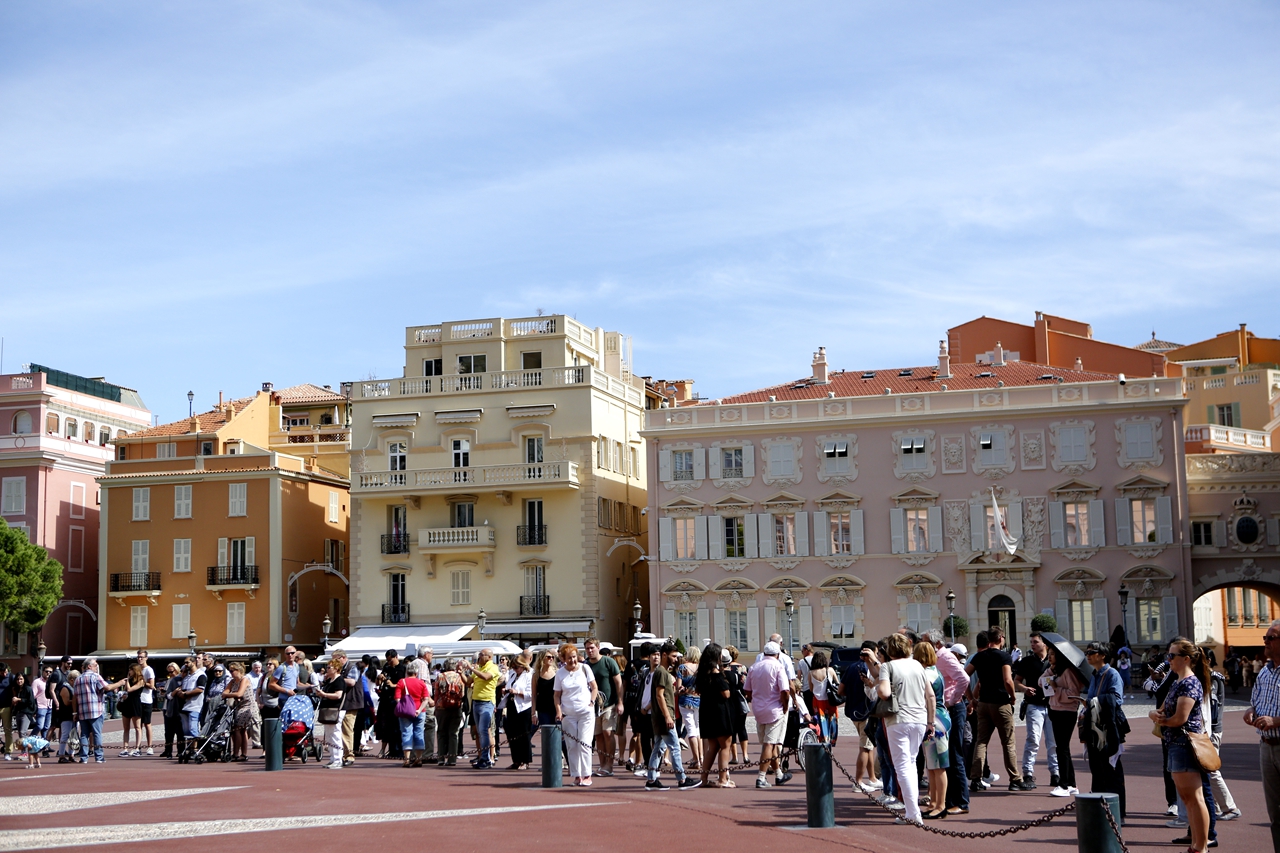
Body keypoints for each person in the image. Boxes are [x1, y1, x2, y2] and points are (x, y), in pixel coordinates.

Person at [1150, 637, 1211, 853]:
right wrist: (1156, 714)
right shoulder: (1176, 681)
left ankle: (1201, 847)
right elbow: (1163, 708)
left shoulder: (1189, 682)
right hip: (1175, 743)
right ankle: (1196, 843)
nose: (1168, 660)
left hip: (1185, 743)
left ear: (1185, 659)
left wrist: (1159, 719)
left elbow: (1179, 718)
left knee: (1194, 797)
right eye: (1168, 655)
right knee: (1187, 798)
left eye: (1171, 656)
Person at [878, 633, 935, 826]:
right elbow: (931, 695)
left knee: (902, 765)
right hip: (919, 718)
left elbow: (885, 693)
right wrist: (931, 721)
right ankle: (913, 810)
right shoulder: (918, 665)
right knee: (910, 763)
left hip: (899, 718)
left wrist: (879, 689)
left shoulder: (888, 667)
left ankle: (913, 812)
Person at [966, 626, 1031, 792]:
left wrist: (971, 698)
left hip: (984, 703)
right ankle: (1015, 779)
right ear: (1001, 638)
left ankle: (975, 778)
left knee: (981, 741)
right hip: (1000, 703)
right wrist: (1013, 697)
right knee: (1008, 742)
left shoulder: (979, 656)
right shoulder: (1004, 656)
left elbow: (963, 677)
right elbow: (1008, 680)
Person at [643, 640, 700, 790]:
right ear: (664, 655)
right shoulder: (662, 672)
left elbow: (664, 694)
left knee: (658, 748)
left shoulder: (662, 672)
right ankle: (681, 779)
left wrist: (676, 692)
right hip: (664, 717)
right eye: (673, 656)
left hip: (660, 716)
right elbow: (659, 696)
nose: (676, 659)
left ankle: (651, 780)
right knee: (675, 747)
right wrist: (668, 716)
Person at [1082, 641, 1128, 821]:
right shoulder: (1094, 675)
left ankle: (1118, 813)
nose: (1088, 655)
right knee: (1097, 771)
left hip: (1108, 729)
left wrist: (1094, 701)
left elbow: (1117, 700)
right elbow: (1091, 698)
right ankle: (1100, 811)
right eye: (1087, 652)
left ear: (1102, 655)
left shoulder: (1112, 674)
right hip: (1095, 728)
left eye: (1092, 652)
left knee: (1112, 771)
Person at [1245, 619, 1280, 852]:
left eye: (1271, 637)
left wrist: (1275, 721)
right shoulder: (1265, 672)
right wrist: (1251, 712)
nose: (1265, 641)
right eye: (1265, 637)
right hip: (1266, 746)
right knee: (1275, 812)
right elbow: (1255, 702)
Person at [928, 632, 969, 814]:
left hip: (953, 709)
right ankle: (951, 799)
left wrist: (952, 700)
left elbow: (964, 678)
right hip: (946, 709)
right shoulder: (938, 658)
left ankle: (961, 802)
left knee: (954, 754)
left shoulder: (945, 657)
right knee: (948, 756)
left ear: (936, 643)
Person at [744, 640, 791, 789]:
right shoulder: (778, 667)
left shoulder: (754, 667)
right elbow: (785, 690)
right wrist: (784, 706)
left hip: (758, 709)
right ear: (777, 654)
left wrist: (755, 700)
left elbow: (747, 689)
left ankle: (778, 774)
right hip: (774, 708)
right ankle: (761, 777)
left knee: (767, 743)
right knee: (769, 744)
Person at [1013, 632, 1058, 790]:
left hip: (1052, 705)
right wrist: (1024, 689)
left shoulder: (1054, 661)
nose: (1033, 644)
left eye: (1036, 642)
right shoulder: (1026, 661)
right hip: (1034, 705)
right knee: (1033, 739)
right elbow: (1016, 681)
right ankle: (1028, 773)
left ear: (1045, 644)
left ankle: (1055, 773)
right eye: (1031, 642)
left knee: (1053, 742)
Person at [914, 641, 951, 820]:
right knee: (932, 765)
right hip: (938, 717)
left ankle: (941, 804)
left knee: (939, 765)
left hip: (935, 719)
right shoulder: (934, 671)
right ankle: (934, 802)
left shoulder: (927, 674)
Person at [838, 640, 880, 793]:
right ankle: (859, 781)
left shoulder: (850, 667)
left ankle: (872, 778)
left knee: (868, 746)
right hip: (866, 711)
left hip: (853, 711)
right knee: (865, 747)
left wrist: (853, 693)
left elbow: (840, 691)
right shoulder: (870, 669)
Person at [554, 642, 598, 786]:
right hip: (569, 714)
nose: (572, 660)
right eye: (569, 658)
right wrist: (559, 711)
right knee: (571, 745)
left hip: (585, 712)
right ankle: (576, 775)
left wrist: (591, 701)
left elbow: (594, 687)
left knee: (584, 743)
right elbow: (557, 695)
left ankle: (587, 775)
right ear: (563, 659)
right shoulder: (560, 673)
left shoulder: (585, 668)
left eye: (573, 657)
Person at [1047, 645, 1086, 797]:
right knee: (1062, 748)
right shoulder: (1054, 671)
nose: (1049, 657)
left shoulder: (1068, 672)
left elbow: (1073, 693)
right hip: (1055, 710)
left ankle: (1064, 784)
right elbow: (1040, 681)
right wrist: (1050, 671)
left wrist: (1056, 688)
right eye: (1048, 654)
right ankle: (1071, 784)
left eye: (1052, 655)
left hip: (1066, 712)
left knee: (1062, 748)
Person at [696, 644, 734, 787]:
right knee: (725, 745)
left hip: (707, 711)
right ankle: (723, 779)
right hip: (719, 712)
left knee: (712, 747)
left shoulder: (702, 674)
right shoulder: (716, 674)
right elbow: (726, 693)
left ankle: (704, 778)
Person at [585, 639, 622, 777]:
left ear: (598, 647)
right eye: (587, 648)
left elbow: (618, 683)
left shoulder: (609, 662)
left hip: (609, 704)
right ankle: (602, 765)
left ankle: (609, 765)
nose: (590, 651)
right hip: (593, 706)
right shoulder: (586, 665)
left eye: (592, 648)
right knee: (598, 736)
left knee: (608, 733)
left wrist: (620, 702)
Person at [465, 648, 501, 769]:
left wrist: (471, 669)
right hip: (476, 701)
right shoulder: (478, 668)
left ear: (489, 657)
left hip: (486, 702)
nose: (479, 657)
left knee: (484, 731)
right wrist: (460, 673)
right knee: (480, 732)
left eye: (481, 655)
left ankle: (486, 759)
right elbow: (468, 682)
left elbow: (486, 677)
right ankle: (483, 758)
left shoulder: (493, 667)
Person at [72, 657, 113, 764]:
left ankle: (84, 757)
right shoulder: (95, 677)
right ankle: (99, 757)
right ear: (89, 666)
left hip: (82, 711)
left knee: (84, 734)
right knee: (96, 734)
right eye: (95, 665)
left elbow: (75, 697)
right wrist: (120, 683)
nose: (97, 667)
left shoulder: (78, 679)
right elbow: (107, 688)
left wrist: (75, 712)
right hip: (96, 710)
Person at [395, 658, 433, 767]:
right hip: (420, 711)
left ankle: (407, 759)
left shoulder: (402, 682)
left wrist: (404, 705)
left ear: (407, 671)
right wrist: (419, 709)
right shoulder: (421, 683)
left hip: (406, 712)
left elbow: (397, 698)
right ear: (416, 672)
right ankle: (419, 758)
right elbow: (426, 698)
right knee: (419, 733)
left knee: (406, 733)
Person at [503, 651, 533, 770]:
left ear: (522, 665)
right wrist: (506, 690)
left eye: (517, 666)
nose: (515, 669)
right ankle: (516, 760)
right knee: (512, 734)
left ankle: (525, 761)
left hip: (524, 708)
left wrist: (517, 692)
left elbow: (531, 694)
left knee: (523, 735)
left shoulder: (529, 675)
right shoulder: (512, 675)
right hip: (511, 706)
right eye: (513, 667)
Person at [336, 649, 365, 768]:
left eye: (336, 659)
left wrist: (337, 678)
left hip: (352, 702)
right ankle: (344, 754)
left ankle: (349, 755)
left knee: (347, 728)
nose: (334, 662)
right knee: (342, 728)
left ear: (343, 657)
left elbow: (352, 682)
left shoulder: (353, 667)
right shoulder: (343, 668)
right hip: (345, 702)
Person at [315, 660, 346, 769]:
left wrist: (325, 694)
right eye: (327, 667)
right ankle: (332, 758)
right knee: (329, 735)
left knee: (335, 734)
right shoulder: (329, 680)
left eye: (330, 667)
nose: (327, 669)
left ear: (336, 669)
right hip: (328, 709)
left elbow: (338, 695)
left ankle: (338, 760)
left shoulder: (339, 680)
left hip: (336, 710)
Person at [434, 660, 466, 766]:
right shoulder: (459, 676)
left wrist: (436, 705)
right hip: (456, 707)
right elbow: (462, 694)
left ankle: (441, 758)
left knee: (441, 732)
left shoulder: (440, 676)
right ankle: (452, 759)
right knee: (453, 733)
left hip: (442, 707)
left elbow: (436, 692)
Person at [676, 646, 702, 774]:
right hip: (698, 699)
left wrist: (679, 691)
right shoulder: (701, 668)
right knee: (697, 729)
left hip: (685, 700)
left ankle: (696, 759)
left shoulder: (682, 668)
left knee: (690, 728)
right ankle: (700, 757)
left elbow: (679, 687)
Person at [222, 662, 255, 761]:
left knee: (237, 728)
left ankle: (236, 753)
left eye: (232, 671)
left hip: (247, 706)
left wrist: (229, 694)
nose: (231, 673)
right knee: (241, 729)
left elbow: (239, 694)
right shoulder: (232, 682)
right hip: (238, 707)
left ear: (239, 671)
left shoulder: (244, 680)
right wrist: (230, 694)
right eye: (230, 671)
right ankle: (243, 754)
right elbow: (224, 692)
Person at [807, 651, 838, 743]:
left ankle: (823, 739)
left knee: (821, 721)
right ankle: (831, 740)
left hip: (817, 700)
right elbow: (837, 683)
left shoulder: (811, 673)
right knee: (831, 720)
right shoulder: (830, 670)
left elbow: (811, 689)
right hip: (830, 700)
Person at [115, 664, 146, 756]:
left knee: (137, 727)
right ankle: (125, 748)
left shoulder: (141, 680)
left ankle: (137, 748)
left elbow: (130, 689)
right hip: (127, 703)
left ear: (135, 670)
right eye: (129, 669)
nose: (129, 671)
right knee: (126, 728)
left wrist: (127, 680)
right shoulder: (129, 680)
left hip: (135, 703)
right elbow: (125, 691)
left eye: (131, 670)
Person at [413, 647, 437, 762]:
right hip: (423, 700)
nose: (432, 656)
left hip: (414, 700)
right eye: (431, 654)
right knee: (429, 725)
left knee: (416, 727)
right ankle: (427, 754)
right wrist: (429, 699)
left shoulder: (413, 663)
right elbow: (422, 683)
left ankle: (414, 754)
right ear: (426, 654)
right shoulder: (422, 664)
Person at [178, 657, 207, 743]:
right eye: (185, 663)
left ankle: (196, 750)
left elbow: (200, 689)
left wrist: (186, 694)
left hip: (195, 706)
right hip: (185, 706)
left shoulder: (201, 675)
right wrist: (181, 693)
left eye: (187, 662)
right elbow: (184, 690)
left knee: (193, 729)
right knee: (186, 732)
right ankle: (190, 750)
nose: (185, 664)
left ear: (194, 662)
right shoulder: (187, 677)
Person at [159, 662, 184, 758]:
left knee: (179, 731)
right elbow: (168, 694)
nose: (170, 674)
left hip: (177, 708)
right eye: (168, 672)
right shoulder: (170, 680)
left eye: (172, 671)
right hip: (167, 707)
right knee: (168, 731)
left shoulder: (180, 680)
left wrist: (171, 693)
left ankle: (180, 750)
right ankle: (168, 750)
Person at [135, 650, 157, 755]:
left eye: (142, 657)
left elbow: (152, 685)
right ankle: (138, 746)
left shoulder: (149, 670)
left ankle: (149, 746)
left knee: (147, 723)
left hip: (146, 699)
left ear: (146, 658)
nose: (140, 659)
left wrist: (142, 683)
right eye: (139, 657)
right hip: (137, 699)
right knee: (138, 725)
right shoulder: (136, 669)